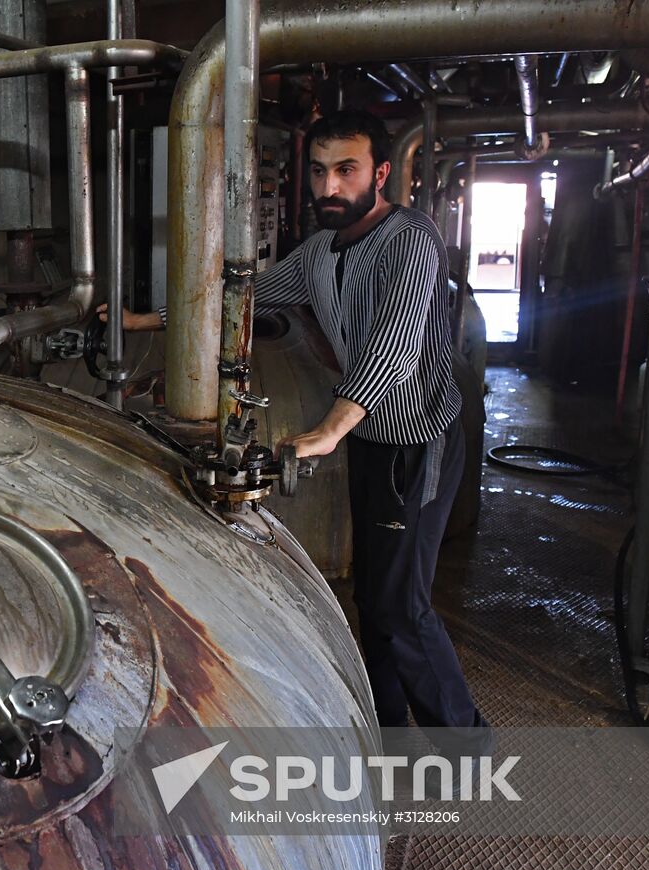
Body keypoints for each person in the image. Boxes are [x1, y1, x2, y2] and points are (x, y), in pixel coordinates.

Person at [106, 110, 491, 758]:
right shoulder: (319, 253)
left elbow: (394, 348)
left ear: (381, 174)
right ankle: (390, 731)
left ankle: (466, 746)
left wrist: (330, 428)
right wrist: (143, 319)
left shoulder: (411, 241)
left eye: (346, 170)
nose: (329, 186)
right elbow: (245, 296)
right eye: (319, 171)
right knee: (374, 595)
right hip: (373, 440)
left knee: (403, 606)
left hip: (417, 440)